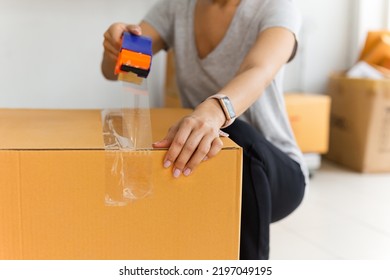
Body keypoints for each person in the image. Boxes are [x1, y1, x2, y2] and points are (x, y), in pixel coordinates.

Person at [101, 0, 308, 260]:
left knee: (236, 138)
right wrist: (117, 48)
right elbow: (121, 67)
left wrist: (212, 113)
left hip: (274, 172)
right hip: (203, 157)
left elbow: (260, 69)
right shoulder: (178, 7)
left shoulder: (276, 8)